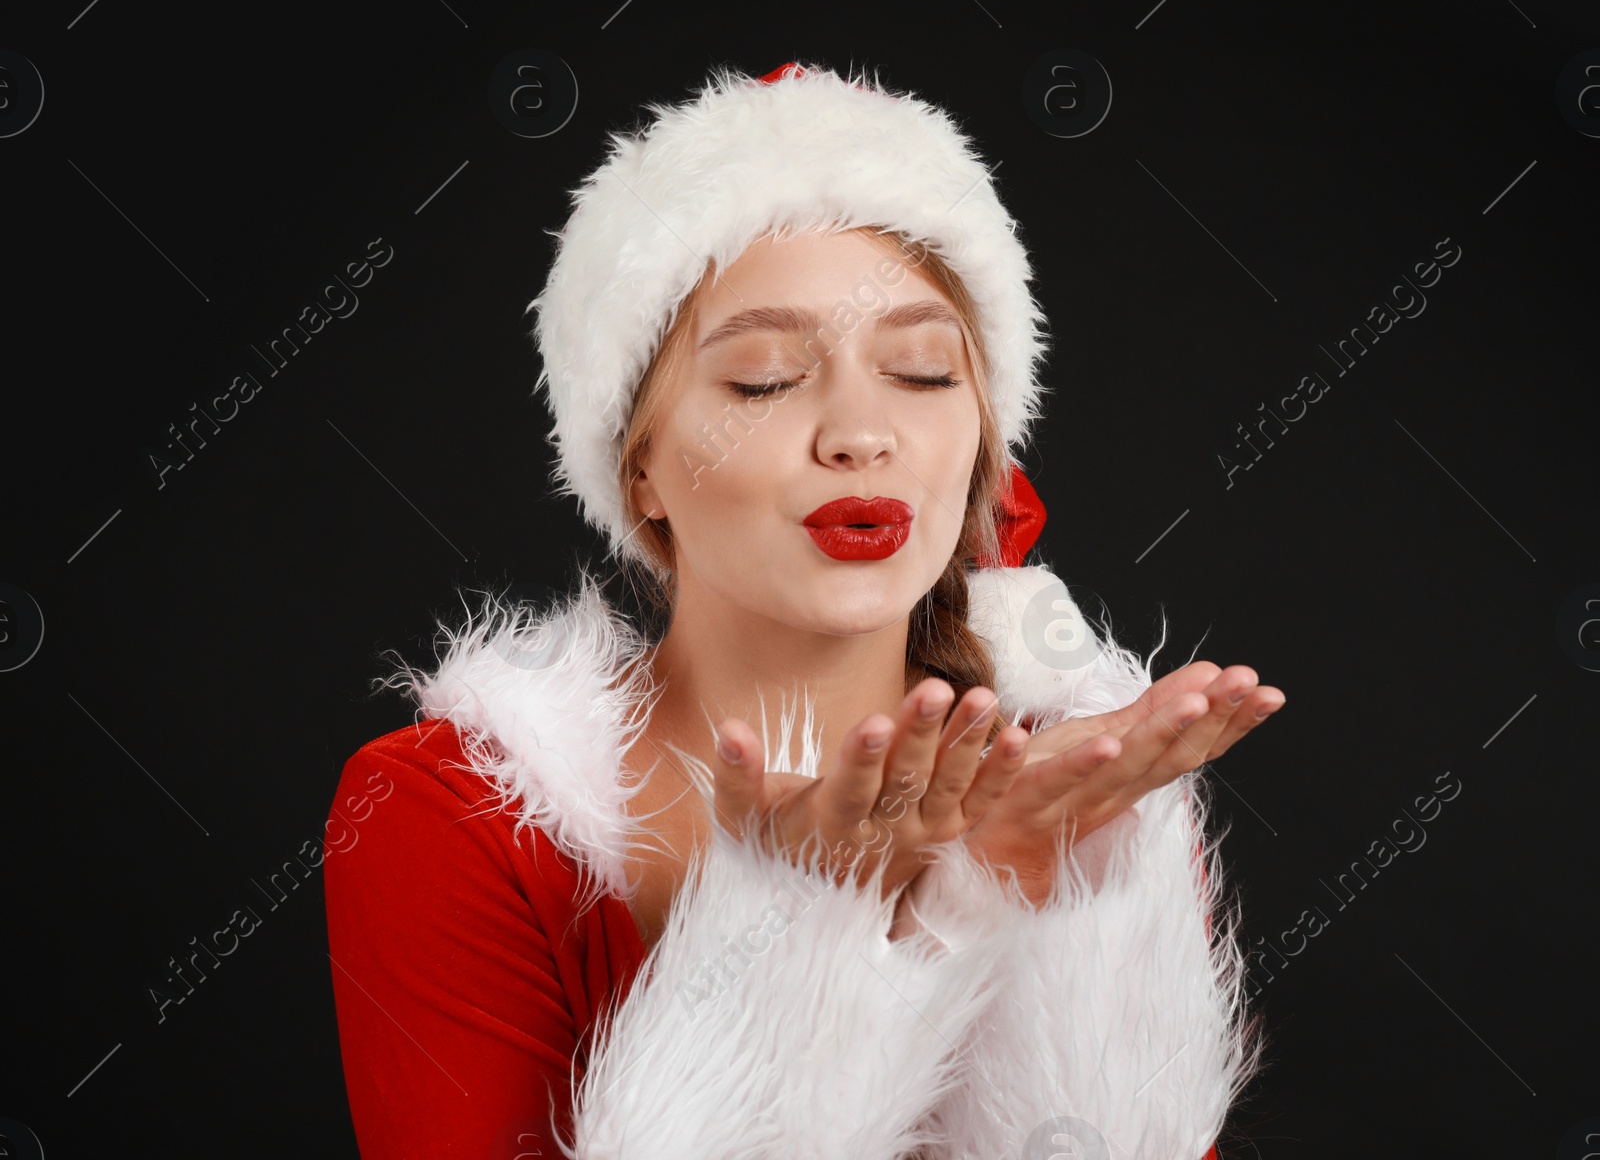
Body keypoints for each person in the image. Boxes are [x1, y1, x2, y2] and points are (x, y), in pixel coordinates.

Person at [323, 61, 1279, 1159]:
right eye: (765, 380)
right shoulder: (449, 815)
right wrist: (802, 933)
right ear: (638, 472)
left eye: (922, 372)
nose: (859, 433)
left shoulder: (1089, 795)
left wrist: (1013, 894)